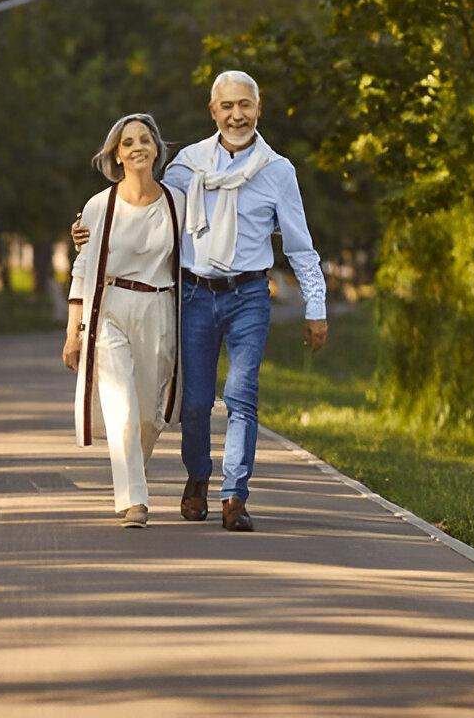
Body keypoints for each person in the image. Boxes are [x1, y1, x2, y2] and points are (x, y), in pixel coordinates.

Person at [74, 71, 328, 532]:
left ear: (258, 107)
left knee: (242, 394)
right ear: (213, 111)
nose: (237, 115)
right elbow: (151, 215)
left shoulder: (278, 171)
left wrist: (316, 308)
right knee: (195, 402)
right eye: (226, 106)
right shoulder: (188, 166)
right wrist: (88, 233)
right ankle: (198, 477)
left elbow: (299, 245)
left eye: (244, 105)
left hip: (250, 293)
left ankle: (235, 495)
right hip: (193, 293)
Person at [63, 113, 185, 529]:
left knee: (150, 415)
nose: (137, 148)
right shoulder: (100, 206)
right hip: (110, 307)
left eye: (144, 140)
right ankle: (134, 500)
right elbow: (82, 268)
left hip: (159, 308)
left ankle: (135, 474)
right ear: (116, 153)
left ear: (156, 148)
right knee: (122, 406)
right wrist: (72, 332)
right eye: (128, 142)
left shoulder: (176, 202)